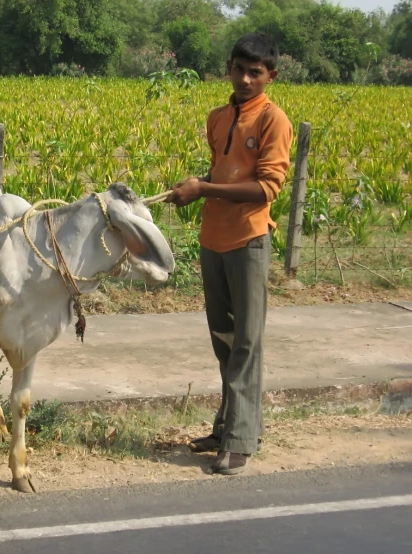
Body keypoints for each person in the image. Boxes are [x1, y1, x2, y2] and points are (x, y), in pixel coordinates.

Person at [165, 32, 293, 475]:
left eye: (254, 73)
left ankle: (240, 440)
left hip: (248, 240)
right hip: (212, 240)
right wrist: (193, 187)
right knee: (224, 340)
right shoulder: (217, 118)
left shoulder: (274, 121)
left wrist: (204, 189)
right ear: (229, 67)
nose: (244, 78)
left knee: (247, 343)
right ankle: (229, 426)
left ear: (270, 76)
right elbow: (223, 171)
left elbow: (266, 187)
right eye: (239, 69)